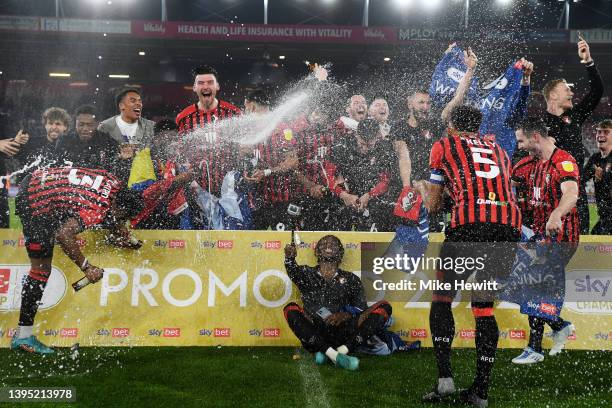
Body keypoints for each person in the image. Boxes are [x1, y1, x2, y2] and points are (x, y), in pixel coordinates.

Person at [420, 105, 521, 407]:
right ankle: (481, 392)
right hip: (506, 228)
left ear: (451, 124)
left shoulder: (444, 145)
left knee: (441, 298)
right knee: (484, 308)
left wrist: (424, 190)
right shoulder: (499, 148)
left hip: (468, 226)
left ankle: (445, 380)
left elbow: (435, 206)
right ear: (478, 127)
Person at [11, 165, 143, 354]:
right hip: (33, 199)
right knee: (41, 270)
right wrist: (86, 268)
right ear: (116, 204)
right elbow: (64, 234)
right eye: (121, 216)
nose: (121, 220)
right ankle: (23, 338)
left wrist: (118, 231)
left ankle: (23, 336)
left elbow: (108, 210)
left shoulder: (116, 183)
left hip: (39, 179)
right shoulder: (98, 207)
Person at [511, 118, 579, 364]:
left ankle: (536, 346)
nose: (519, 146)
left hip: (561, 238)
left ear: (535, 137)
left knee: (531, 284)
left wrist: (556, 214)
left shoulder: (563, 161)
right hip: (537, 237)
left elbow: (571, 193)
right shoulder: (525, 164)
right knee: (528, 287)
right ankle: (555, 328)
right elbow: (507, 186)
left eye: (521, 140)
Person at [283, 235, 393, 370]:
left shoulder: (351, 279)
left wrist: (344, 314)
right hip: (316, 332)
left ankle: (342, 350)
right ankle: (333, 354)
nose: (328, 245)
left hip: (344, 332)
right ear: (317, 251)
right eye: (324, 243)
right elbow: (292, 270)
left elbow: (361, 308)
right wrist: (289, 258)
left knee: (384, 306)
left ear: (340, 253)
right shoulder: (306, 273)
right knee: (290, 309)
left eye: (333, 243)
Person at [542, 36, 604, 233]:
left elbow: (597, 91)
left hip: (576, 189)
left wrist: (588, 61)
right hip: (549, 190)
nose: (571, 93)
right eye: (566, 89)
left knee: (581, 234)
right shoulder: (539, 125)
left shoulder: (575, 115)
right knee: (548, 238)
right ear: (553, 95)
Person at [325, 118, 395, 232]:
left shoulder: (384, 148)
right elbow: (327, 176)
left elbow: (386, 181)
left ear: (377, 137)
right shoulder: (341, 147)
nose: (365, 149)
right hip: (342, 201)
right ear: (357, 135)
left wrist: (369, 195)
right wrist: (343, 195)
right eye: (362, 144)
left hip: (373, 203)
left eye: (369, 145)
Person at [55, 105, 121, 175]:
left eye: (90, 125)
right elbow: (56, 168)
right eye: (81, 124)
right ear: (75, 124)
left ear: (97, 124)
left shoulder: (108, 143)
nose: (85, 129)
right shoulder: (64, 141)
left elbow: (114, 171)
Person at [583, 119, 612, 235]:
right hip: (604, 214)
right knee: (595, 235)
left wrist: (604, 177)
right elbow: (581, 178)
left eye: (606, 132)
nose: (601, 135)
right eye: (599, 132)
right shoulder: (595, 158)